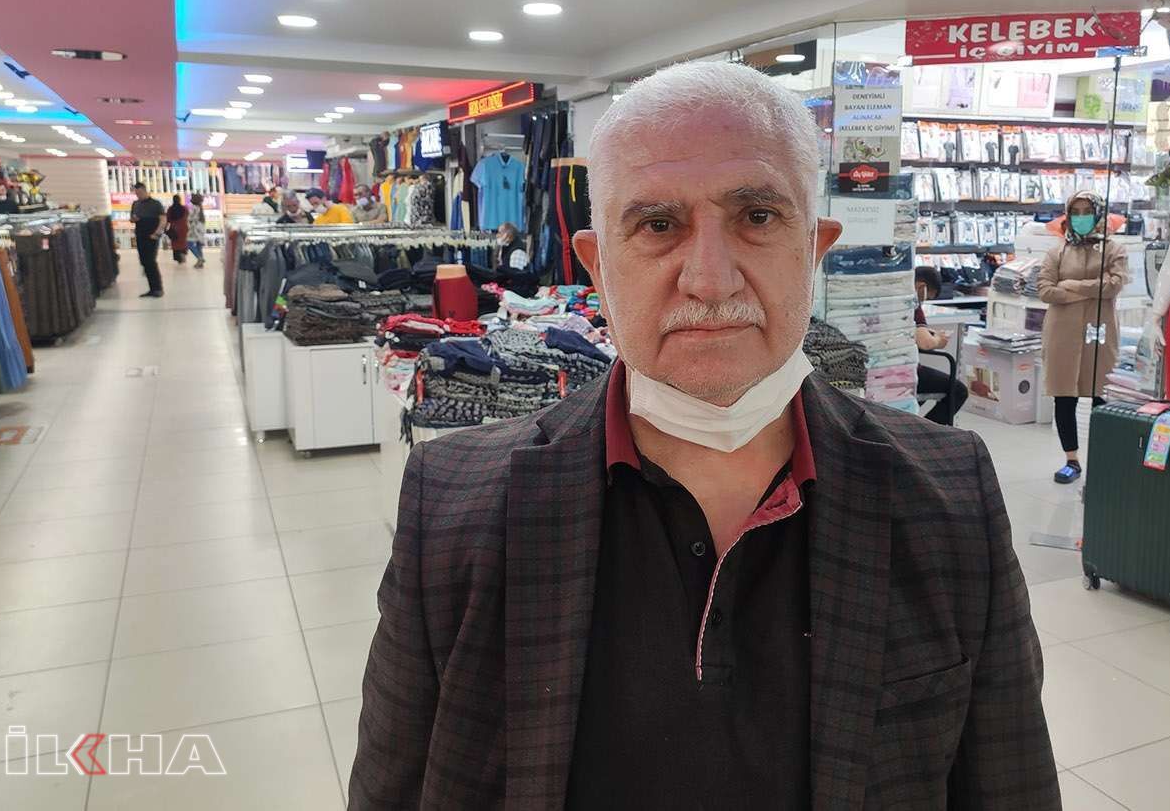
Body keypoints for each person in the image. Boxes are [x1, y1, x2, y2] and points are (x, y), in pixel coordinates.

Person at [351, 61, 1060, 809]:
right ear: (597, 265)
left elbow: (1009, 785)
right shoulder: (455, 505)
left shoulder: (950, 494)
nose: (711, 280)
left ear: (814, 248)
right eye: (658, 226)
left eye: (758, 218)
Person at [1038, 191, 1129, 483]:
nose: (1080, 217)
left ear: (1098, 213)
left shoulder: (1114, 249)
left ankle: (1104, 461)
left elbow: (1114, 285)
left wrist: (1071, 285)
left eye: (1086, 211)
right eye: (1074, 212)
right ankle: (1071, 460)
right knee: (1064, 396)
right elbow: (1045, 290)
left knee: (1102, 395)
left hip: (1098, 331)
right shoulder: (1057, 251)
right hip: (1062, 332)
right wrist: (1091, 290)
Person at [914, 265, 969, 425]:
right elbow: (925, 343)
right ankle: (927, 432)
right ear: (922, 287)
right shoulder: (911, 303)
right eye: (927, 297)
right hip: (906, 372)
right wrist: (939, 340)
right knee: (958, 391)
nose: (923, 301)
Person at [130, 182, 165, 298]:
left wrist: (157, 233)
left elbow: (163, 219)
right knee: (144, 262)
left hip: (152, 236)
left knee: (151, 261)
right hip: (140, 236)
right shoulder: (135, 204)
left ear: (145, 191)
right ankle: (152, 288)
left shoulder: (155, 204)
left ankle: (158, 288)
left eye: (140, 193)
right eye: (136, 193)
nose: (138, 195)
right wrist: (134, 219)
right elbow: (132, 219)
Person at [165, 193, 189, 264]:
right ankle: (183, 255)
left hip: (174, 228)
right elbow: (187, 217)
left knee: (175, 243)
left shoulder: (170, 209)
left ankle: (178, 258)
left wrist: (165, 228)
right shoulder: (184, 208)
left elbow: (168, 219)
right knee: (183, 242)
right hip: (184, 228)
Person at [186, 193, 207, 268]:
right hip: (201, 228)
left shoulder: (194, 208)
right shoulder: (200, 208)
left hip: (195, 228)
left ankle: (199, 258)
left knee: (189, 243)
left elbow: (190, 218)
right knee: (199, 246)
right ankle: (200, 263)